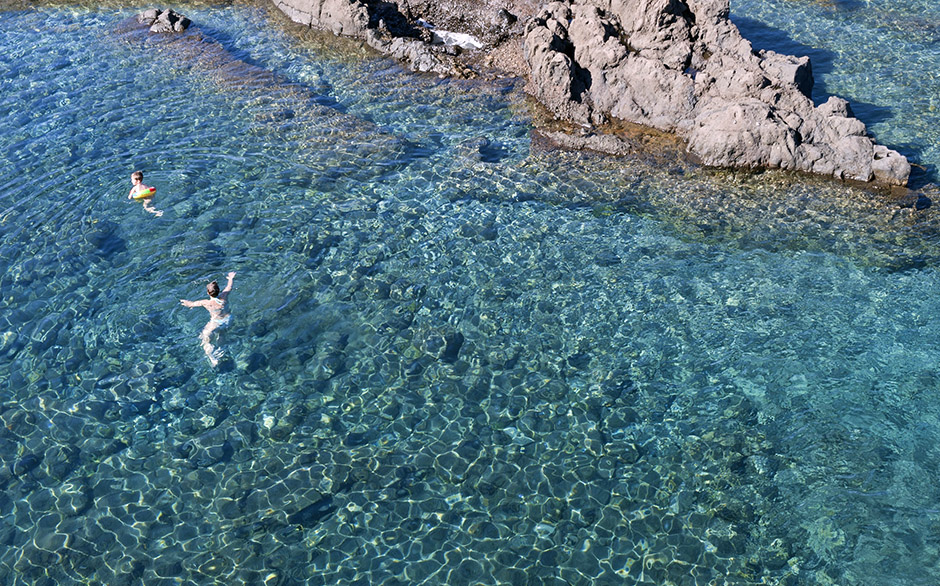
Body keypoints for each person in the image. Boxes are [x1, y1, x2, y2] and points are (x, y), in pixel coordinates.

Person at [181, 272, 236, 366]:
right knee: (221, 334)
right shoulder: (224, 296)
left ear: (208, 293)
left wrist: (185, 302)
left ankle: (212, 358)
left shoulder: (206, 303)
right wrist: (230, 278)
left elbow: (192, 304)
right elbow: (229, 286)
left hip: (216, 322)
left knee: (205, 339)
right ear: (219, 290)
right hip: (228, 320)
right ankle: (222, 349)